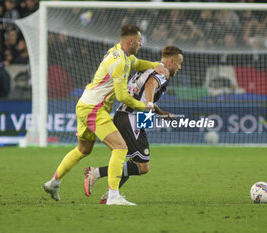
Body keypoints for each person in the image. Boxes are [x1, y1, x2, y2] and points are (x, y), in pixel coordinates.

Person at [43, 24, 169, 206]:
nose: (141, 43)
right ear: (131, 41)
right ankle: (113, 196)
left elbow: (138, 63)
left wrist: (155, 65)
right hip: (94, 109)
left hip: (85, 104)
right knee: (120, 148)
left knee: (83, 149)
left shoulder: (120, 52)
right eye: (140, 40)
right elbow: (122, 96)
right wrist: (143, 106)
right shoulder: (119, 62)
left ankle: (53, 182)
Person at [82, 45, 183, 204]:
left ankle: (111, 194)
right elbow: (150, 86)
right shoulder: (163, 72)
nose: (180, 67)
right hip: (132, 116)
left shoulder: (151, 68)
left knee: (134, 160)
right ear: (171, 61)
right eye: (179, 63)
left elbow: (142, 93)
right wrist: (149, 106)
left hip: (130, 115)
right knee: (143, 167)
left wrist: (161, 112)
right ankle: (95, 173)